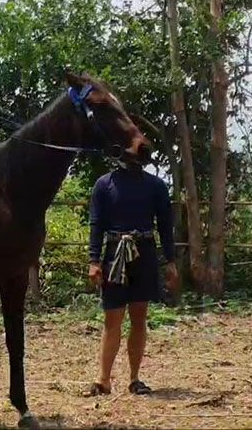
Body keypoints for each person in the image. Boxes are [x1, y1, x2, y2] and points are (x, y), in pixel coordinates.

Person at [87, 156, 180, 396]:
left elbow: (165, 226)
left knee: (139, 318)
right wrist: (94, 261)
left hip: (144, 253)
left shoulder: (156, 186)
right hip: (114, 255)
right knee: (112, 319)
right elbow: (96, 225)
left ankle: (135, 378)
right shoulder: (104, 185)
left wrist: (170, 262)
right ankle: (103, 379)